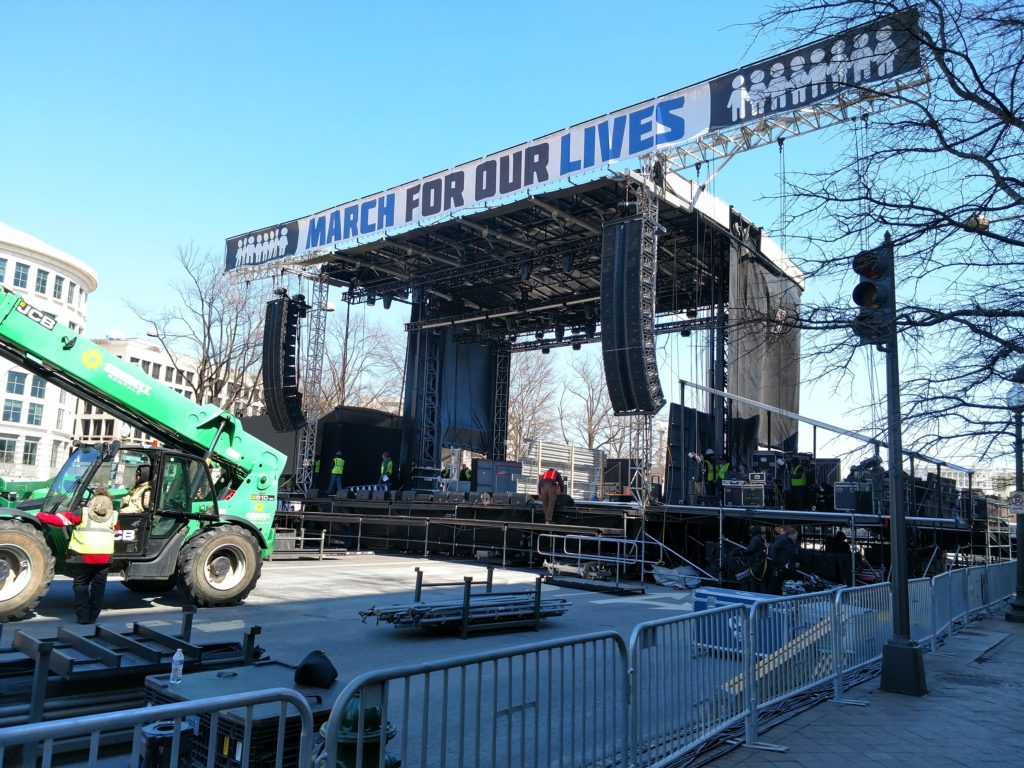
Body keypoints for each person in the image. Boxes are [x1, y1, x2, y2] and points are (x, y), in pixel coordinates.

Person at [38, 489, 119, 624]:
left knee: (81, 585)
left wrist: (40, 515)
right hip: (104, 558)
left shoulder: (83, 513)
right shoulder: (114, 516)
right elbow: (115, 531)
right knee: (98, 587)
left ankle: (83, 616)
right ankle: (93, 616)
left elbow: (59, 520)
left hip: (83, 557)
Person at [768, 525, 801, 595]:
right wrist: (775, 561)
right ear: (791, 535)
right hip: (780, 568)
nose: (796, 537)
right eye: (795, 535)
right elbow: (773, 548)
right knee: (775, 586)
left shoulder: (793, 543)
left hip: (788, 568)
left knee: (784, 587)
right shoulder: (783, 540)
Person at [736, 524, 768, 593]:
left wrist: (742, 552)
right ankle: (763, 594)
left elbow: (751, 549)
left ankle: (753, 593)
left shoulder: (755, 538)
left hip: (756, 562)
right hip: (762, 562)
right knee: (761, 579)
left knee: (752, 579)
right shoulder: (762, 538)